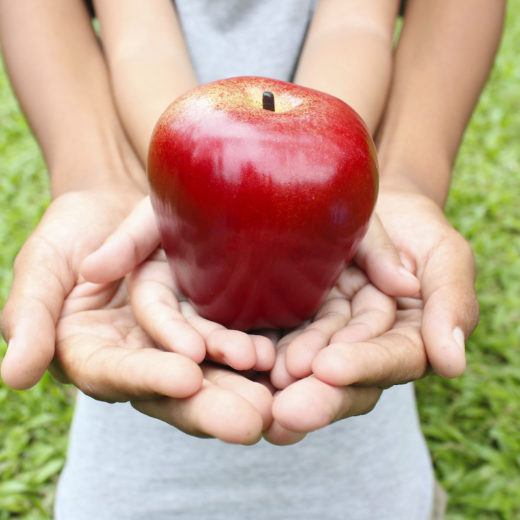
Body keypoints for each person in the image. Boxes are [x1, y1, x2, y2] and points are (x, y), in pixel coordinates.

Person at [0, 0, 504, 518]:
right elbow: (134, 36)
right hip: (130, 472)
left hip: (362, 461)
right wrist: (112, 178)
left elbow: (359, 24)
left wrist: (382, 178)